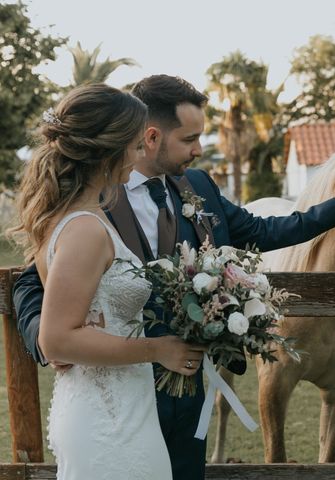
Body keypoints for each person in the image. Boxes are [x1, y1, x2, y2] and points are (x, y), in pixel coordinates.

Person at [13, 74, 335, 480]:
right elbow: (33, 282)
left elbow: (260, 231)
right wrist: (52, 344)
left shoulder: (198, 186)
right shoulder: (93, 201)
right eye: (190, 139)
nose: (198, 149)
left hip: (189, 388)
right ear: (152, 137)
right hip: (114, 389)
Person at [8, 83, 205, 479]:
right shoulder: (84, 229)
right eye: (134, 145)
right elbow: (57, 339)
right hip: (109, 422)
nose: (140, 155)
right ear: (108, 150)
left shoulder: (78, 215)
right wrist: (158, 349)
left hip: (121, 408)